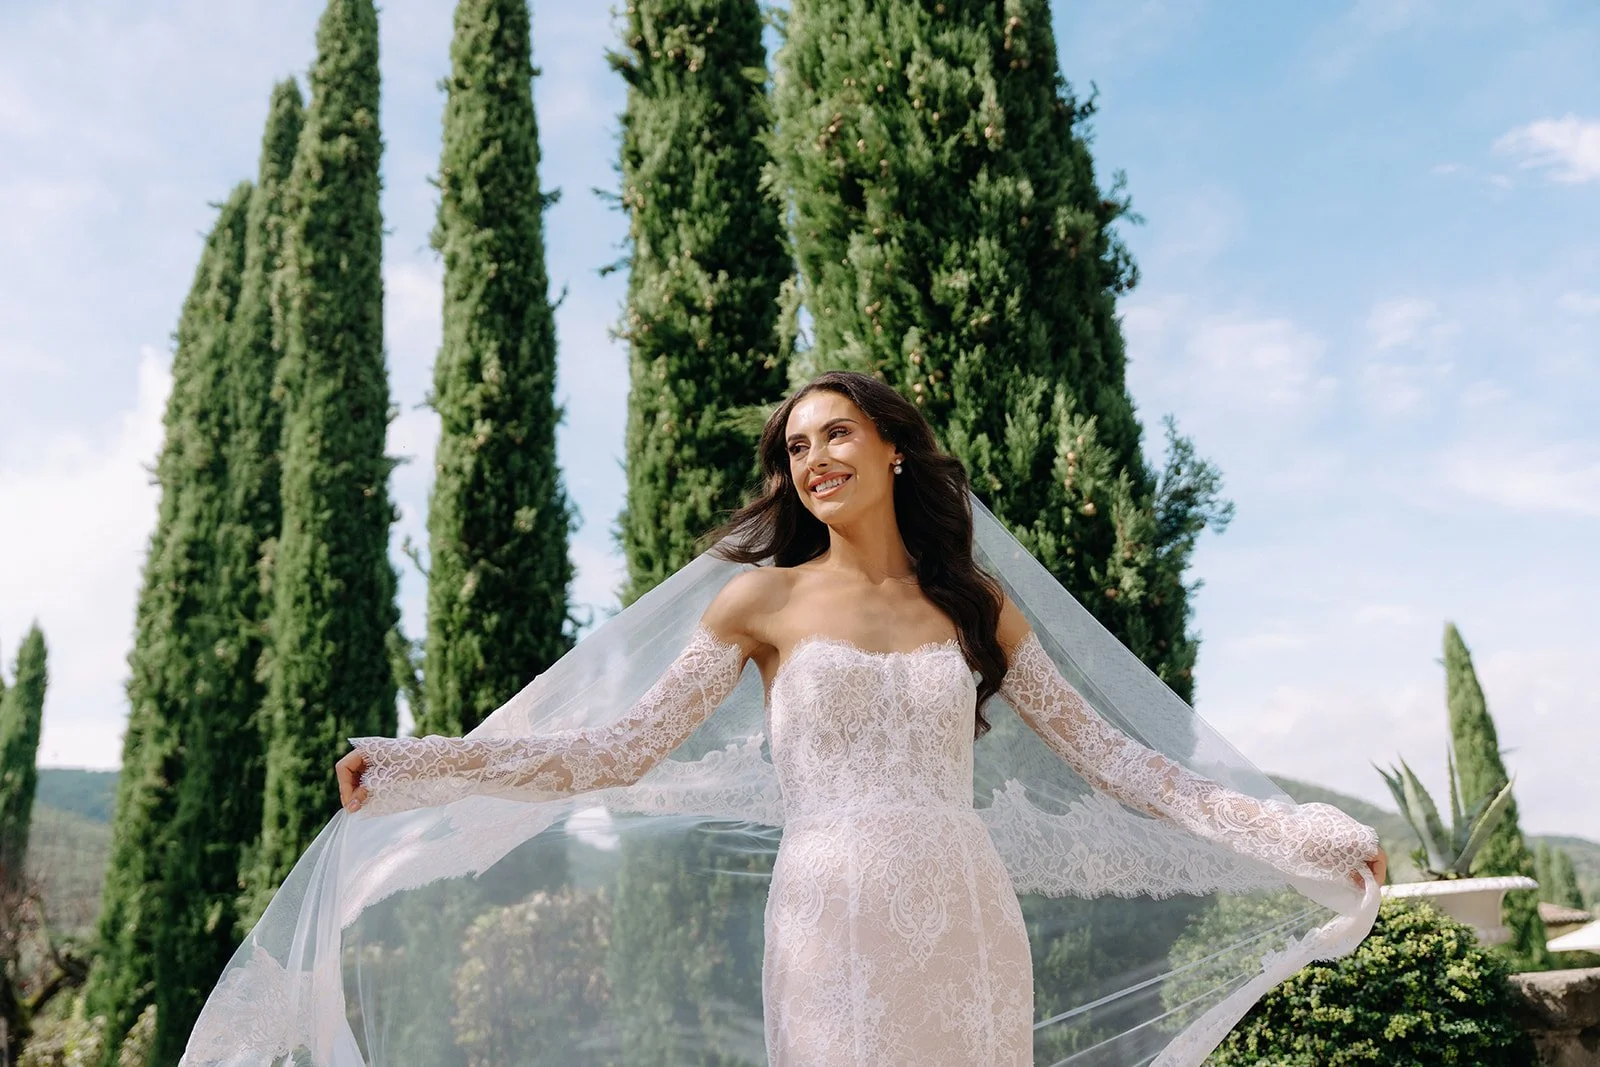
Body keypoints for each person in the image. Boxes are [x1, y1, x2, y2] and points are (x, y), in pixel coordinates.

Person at [315, 370, 1384, 1066]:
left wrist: (1301, 831)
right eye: (794, 448)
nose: (813, 459)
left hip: (964, 910)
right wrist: (419, 764)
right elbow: (615, 748)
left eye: (836, 433)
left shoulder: (973, 603)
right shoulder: (758, 601)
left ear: (892, 449)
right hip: (829, 914)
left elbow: (1120, 761)